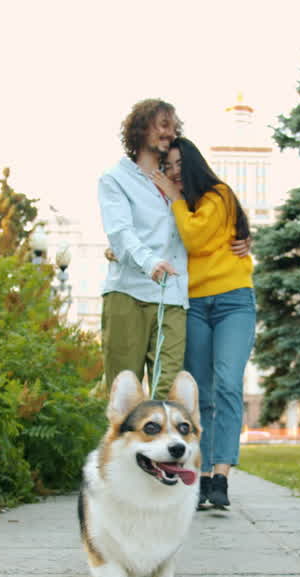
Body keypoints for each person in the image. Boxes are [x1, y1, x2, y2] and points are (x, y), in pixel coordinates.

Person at [147, 136, 255, 510]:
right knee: (200, 393)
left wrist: (176, 199)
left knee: (227, 383)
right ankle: (202, 475)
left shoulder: (218, 195)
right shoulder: (175, 205)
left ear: (192, 163)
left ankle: (221, 475)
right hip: (192, 303)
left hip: (232, 301)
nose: (173, 173)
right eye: (168, 167)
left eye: (178, 165)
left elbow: (193, 239)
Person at [97, 99, 189, 398]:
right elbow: (120, 233)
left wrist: (240, 234)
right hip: (129, 294)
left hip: (173, 298)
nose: (169, 133)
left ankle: (160, 447)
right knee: (125, 394)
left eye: (173, 128)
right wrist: (150, 262)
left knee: (168, 395)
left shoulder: (178, 178)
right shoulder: (115, 179)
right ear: (140, 128)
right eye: (163, 125)